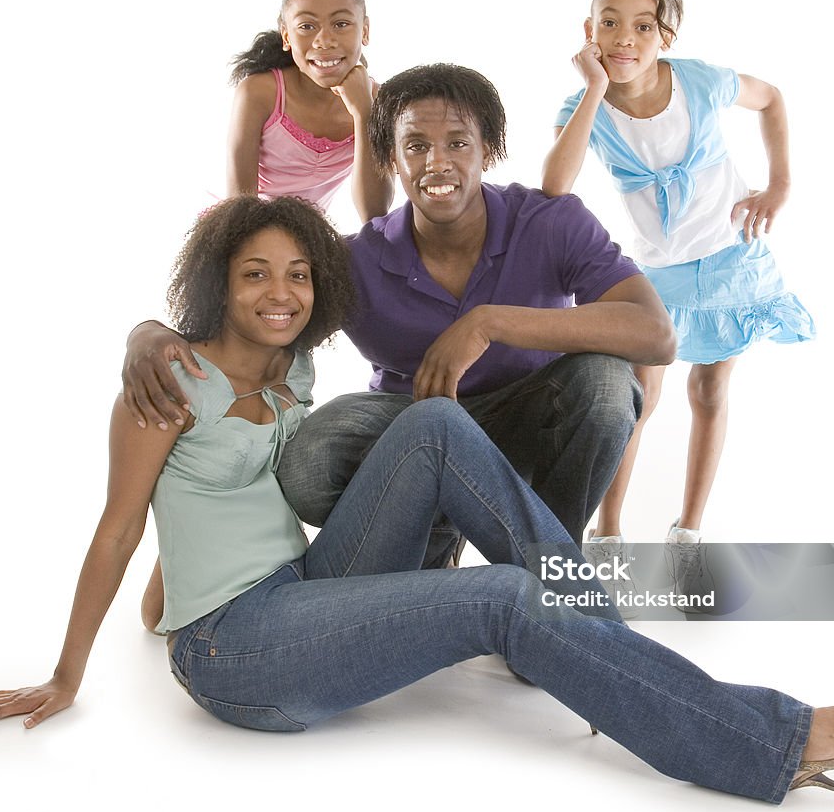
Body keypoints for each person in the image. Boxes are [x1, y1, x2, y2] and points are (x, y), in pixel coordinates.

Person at [0, 195, 834, 806]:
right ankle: (773, 743)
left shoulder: (297, 365)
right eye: (254, 274)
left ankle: (598, 640)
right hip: (237, 652)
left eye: (296, 274)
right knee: (502, 600)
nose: (279, 293)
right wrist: (67, 675)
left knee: (432, 425)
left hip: (304, 587)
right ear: (217, 284)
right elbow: (119, 528)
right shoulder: (164, 379)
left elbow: (223, 495)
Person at [123, 64, 677, 577]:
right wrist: (149, 332)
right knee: (311, 460)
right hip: (415, 428)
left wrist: (488, 323)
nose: (437, 162)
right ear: (390, 157)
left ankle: (548, 567)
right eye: (416, 145)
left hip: (532, 419)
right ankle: (443, 533)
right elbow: (261, 305)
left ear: (490, 150)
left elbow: (656, 335)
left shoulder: (551, 222)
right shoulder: (355, 261)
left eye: (459, 143)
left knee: (606, 383)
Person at [541, 0, 816, 597]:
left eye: (642, 26)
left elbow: (771, 97)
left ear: (666, 34)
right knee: (637, 401)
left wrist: (778, 184)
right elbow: (555, 185)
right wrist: (591, 89)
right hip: (655, 275)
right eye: (609, 23)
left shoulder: (701, 82)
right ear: (589, 29)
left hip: (730, 260)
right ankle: (606, 534)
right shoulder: (584, 107)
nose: (623, 38)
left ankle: (689, 534)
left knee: (712, 390)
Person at [226, 0, 392, 220]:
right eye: (306, 26)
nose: (324, 40)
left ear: (365, 31)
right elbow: (238, 206)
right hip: (241, 227)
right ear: (286, 36)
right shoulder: (259, 93)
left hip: (308, 234)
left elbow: (374, 214)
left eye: (341, 23)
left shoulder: (379, 102)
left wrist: (364, 113)